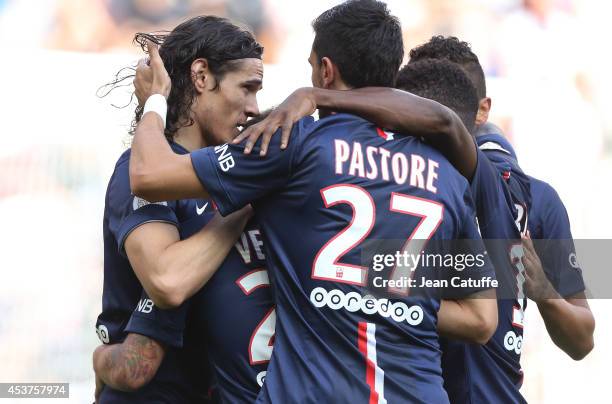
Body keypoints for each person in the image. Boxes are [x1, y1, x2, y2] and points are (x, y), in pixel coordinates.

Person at [129, 1, 498, 402]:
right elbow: (482, 318)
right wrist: (388, 295)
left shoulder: (294, 141)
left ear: (326, 69)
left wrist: (155, 100)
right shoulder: (446, 171)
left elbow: (149, 176)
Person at [408, 35, 594, 403]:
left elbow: (582, 341)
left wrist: (546, 294)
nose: (437, 123)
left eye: (449, 110)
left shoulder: (539, 199)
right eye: (426, 109)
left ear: (482, 109)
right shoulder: (398, 184)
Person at [93, 15, 270, 403]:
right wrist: (240, 207)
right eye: (247, 88)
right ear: (202, 76)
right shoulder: (137, 173)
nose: (255, 108)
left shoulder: (243, 174)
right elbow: (168, 282)